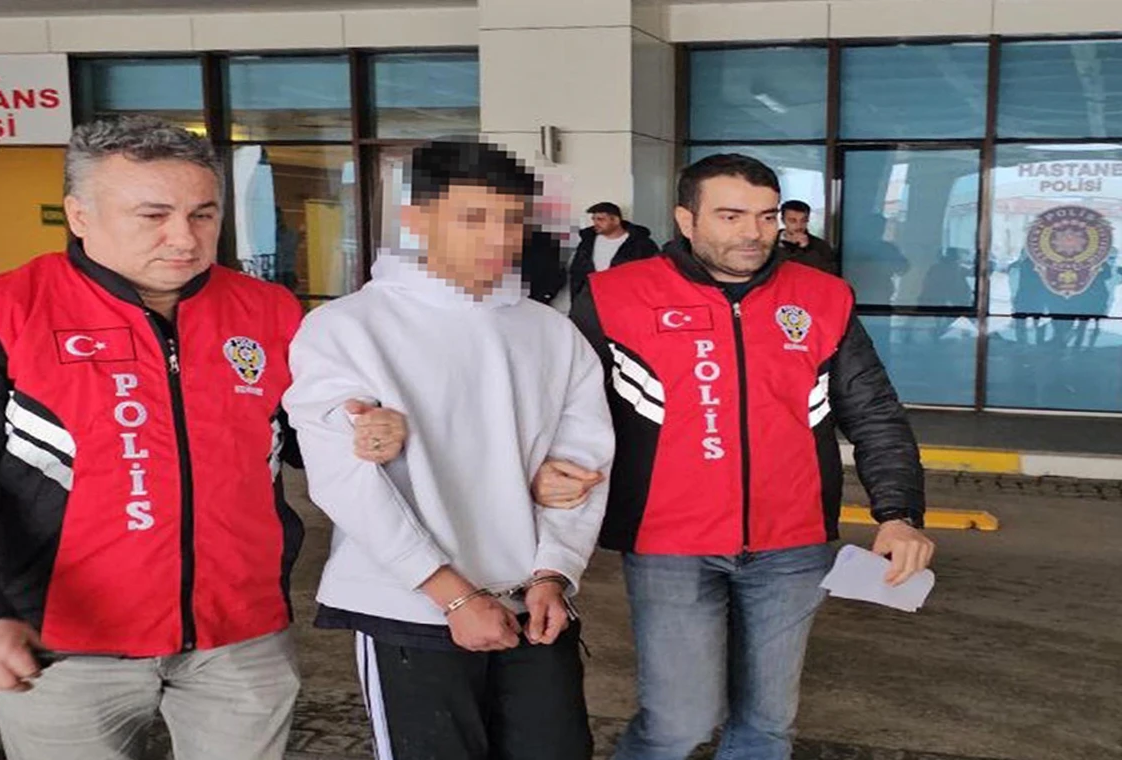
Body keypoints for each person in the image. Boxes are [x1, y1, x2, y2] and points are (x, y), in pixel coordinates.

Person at [0, 116, 406, 760]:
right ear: (80, 215)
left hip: (239, 635)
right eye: (153, 215)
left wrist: (360, 425)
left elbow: (303, 435)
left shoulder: (269, 312)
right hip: (64, 646)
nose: (184, 238)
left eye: (203, 214)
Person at [542, 153, 933, 760]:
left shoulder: (822, 297)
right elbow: (561, 404)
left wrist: (899, 513)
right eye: (731, 216)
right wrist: (543, 465)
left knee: (767, 726)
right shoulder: (615, 296)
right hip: (669, 545)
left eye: (766, 216)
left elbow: (875, 412)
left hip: (793, 545)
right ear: (686, 220)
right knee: (679, 725)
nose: (754, 232)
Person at [283, 139, 615, 760]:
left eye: (512, 220)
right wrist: (453, 596)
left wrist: (555, 571)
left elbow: (582, 463)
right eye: (473, 218)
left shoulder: (550, 332)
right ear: (416, 219)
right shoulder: (348, 327)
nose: (498, 238)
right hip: (411, 604)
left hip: (532, 600)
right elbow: (344, 483)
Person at [568, 201, 659, 299]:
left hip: (627, 300)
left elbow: (654, 274)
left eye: (600, 219)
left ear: (616, 220)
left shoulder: (641, 243)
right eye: (593, 219)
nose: (595, 223)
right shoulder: (587, 242)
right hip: (590, 299)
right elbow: (577, 273)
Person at [775, 199, 837, 274]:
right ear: (783, 220)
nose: (799, 225)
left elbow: (829, 273)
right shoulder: (770, 242)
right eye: (793, 221)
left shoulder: (821, 246)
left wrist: (806, 250)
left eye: (803, 220)